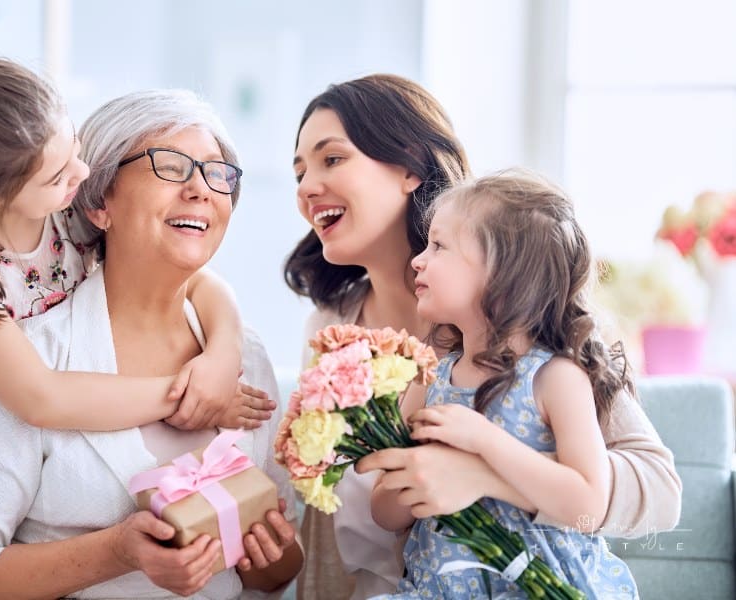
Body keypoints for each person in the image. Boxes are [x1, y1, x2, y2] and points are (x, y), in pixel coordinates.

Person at [0, 60, 272, 600]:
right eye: (170, 166)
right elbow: (41, 397)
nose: (78, 177)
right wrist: (185, 399)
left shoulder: (60, 206)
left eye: (77, 154)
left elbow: (201, 279)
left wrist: (221, 357)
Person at [285, 74, 681, 599]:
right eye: (299, 171)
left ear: (409, 167)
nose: (307, 186)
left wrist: (482, 471)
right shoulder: (331, 331)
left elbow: (659, 493)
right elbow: (345, 524)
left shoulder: (531, 334)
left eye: (332, 159)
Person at [368, 170, 638, 598]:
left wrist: (483, 443)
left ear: (503, 276)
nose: (418, 259)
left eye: (439, 246)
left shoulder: (556, 379)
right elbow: (383, 513)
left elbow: (588, 505)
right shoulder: (429, 378)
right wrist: (415, 477)